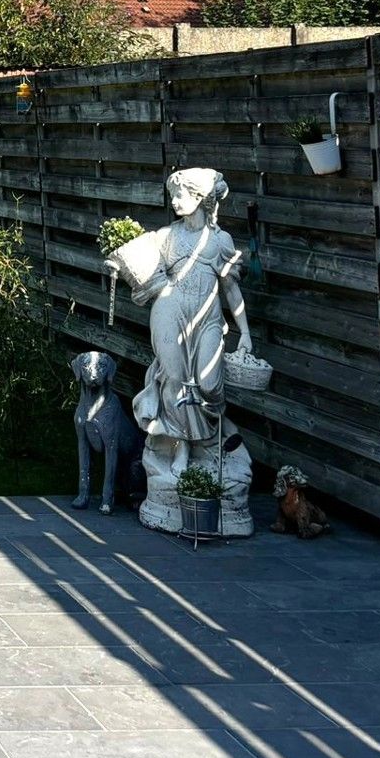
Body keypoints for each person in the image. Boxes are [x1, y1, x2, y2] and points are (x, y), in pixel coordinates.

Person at [125, 168, 256, 535]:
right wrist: (118, 262)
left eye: (180, 194)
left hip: (208, 319)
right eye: (173, 194)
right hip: (170, 311)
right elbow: (143, 272)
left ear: (200, 198)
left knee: (211, 384)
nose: (173, 201)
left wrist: (245, 333)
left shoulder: (220, 241)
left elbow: (231, 291)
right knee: (175, 383)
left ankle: (210, 445)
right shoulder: (166, 237)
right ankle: (181, 447)